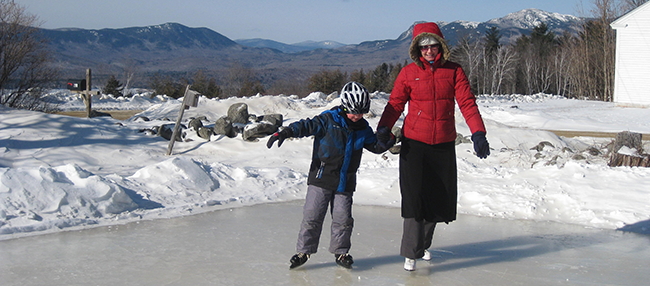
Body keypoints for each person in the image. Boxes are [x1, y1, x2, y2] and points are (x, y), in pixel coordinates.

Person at [376, 22, 490, 271]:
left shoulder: (454, 71)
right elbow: (395, 103)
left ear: (441, 45)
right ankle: (410, 252)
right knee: (414, 198)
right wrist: (384, 128)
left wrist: (478, 132)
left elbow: (467, 103)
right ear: (417, 48)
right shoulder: (408, 73)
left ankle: (423, 244)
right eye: (423, 46)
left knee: (438, 199)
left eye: (433, 45)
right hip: (414, 144)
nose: (428, 50)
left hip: (443, 144)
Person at [267, 81, 394, 270]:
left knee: (343, 219)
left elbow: (376, 147)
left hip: (346, 181)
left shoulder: (363, 128)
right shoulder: (327, 120)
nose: (357, 116)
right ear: (344, 106)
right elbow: (306, 126)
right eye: (354, 112)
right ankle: (304, 251)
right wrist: (286, 131)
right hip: (321, 177)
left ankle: (341, 253)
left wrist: (387, 138)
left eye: (361, 112)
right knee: (312, 215)